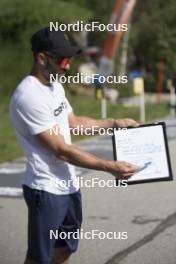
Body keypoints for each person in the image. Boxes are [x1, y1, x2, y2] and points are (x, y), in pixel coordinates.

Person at [9, 27, 139, 264]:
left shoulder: (55, 86)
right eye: (62, 59)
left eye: (69, 59)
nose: (68, 66)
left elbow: (74, 122)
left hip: (68, 184)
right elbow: (61, 150)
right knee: (40, 257)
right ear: (41, 58)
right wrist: (109, 166)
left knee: (66, 247)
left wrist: (114, 122)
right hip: (45, 188)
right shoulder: (28, 96)